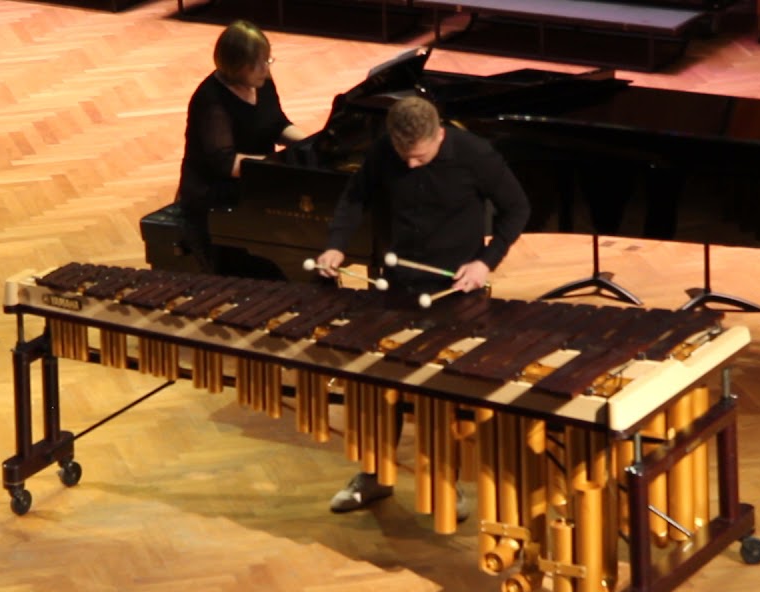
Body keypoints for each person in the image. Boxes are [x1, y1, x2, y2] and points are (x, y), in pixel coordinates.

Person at [313, 95, 531, 516]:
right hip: (395, 284)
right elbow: (354, 197)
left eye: (420, 157)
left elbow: (517, 208)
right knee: (378, 383)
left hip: (456, 289)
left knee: (441, 392)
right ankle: (376, 476)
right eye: (403, 156)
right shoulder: (383, 152)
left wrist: (486, 262)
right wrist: (336, 246)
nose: (410, 165)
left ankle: (447, 484)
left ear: (439, 135)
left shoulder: (474, 155)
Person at [176, 20, 308, 275]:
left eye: (267, 60)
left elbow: (276, 123)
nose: (264, 68)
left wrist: (310, 143)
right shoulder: (211, 101)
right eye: (256, 63)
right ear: (235, 66)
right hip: (216, 196)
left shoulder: (261, 82)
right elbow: (225, 164)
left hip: (256, 179)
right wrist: (278, 166)